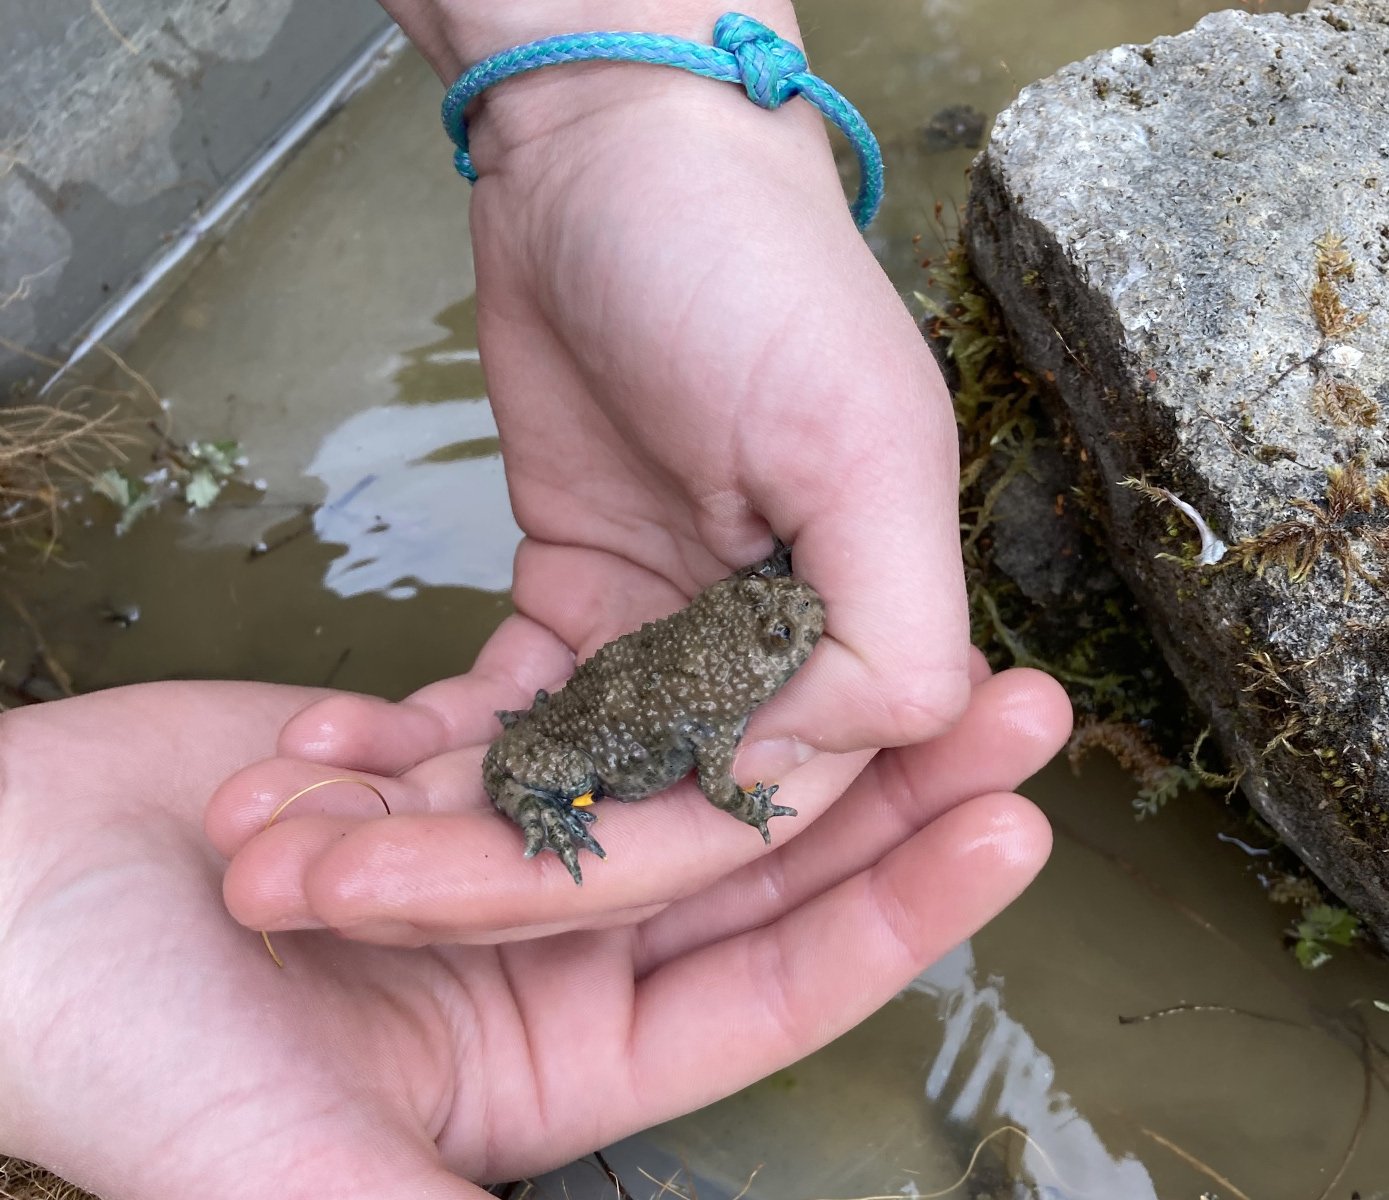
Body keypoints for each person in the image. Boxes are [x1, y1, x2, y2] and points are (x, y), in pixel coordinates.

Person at [0, 2, 1070, 1195]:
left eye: (779, 613)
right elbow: (721, 780)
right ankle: (541, 795)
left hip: (605, 705)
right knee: (541, 778)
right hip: (575, 748)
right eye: (780, 625)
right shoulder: (721, 718)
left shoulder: (711, 656)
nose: (800, 622)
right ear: (747, 667)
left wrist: (611, 109)